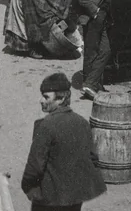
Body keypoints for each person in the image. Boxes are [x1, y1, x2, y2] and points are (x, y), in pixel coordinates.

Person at [21, 72, 107, 211]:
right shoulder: (82, 123)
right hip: (74, 199)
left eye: (46, 96)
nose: (41, 100)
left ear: (60, 99)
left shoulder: (46, 126)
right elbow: (92, 159)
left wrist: (28, 188)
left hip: (48, 199)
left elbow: (35, 166)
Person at [77, 0, 117, 99]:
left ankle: (91, 84)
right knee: (92, 52)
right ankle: (89, 85)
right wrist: (95, 12)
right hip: (93, 18)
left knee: (105, 50)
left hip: (101, 18)